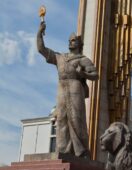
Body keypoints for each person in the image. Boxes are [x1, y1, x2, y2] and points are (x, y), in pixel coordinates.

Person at [37, 22, 98, 159]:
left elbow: (95, 75)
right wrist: (40, 33)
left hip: (76, 86)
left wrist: (83, 74)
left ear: (79, 44)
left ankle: (81, 152)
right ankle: (63, 149)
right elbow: (42, 49)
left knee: (76, 119)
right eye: (69, 41)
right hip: (61, 87)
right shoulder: (60, 57)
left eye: (74, 40)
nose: (71, 42)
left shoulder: (83, 60)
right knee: (62, 118)